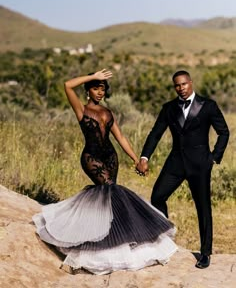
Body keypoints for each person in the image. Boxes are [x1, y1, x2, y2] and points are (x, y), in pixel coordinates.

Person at [32, 69, 177, 275]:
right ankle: (98, 249)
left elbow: (121, 138)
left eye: (102, 89)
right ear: (88, 90)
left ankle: (119, 242)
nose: (99, 92)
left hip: (110, 158)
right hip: (91, 158)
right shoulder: (81, 110)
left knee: (110, 197)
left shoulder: (108, 113)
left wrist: (137, 160)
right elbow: (67, 85)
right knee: (110, 189)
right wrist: (93, 76)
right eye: (95, 88)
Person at [136, 70, 229, 269]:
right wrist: (144, 157)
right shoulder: (169, 108)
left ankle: (205, 253)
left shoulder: (208, 105)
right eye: (177, 85)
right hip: (175, 163)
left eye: (184, 84)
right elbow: (155, 134)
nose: (181, 88)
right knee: (158, 196)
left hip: (200, 164)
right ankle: (164, 242)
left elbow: (224, 132)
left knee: (203, 208)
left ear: (191, 83)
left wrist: (213, 158)